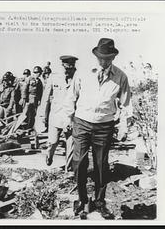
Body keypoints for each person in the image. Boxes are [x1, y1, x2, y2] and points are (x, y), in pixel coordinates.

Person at [63, 38, 131, 219]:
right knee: (79, 162)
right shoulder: (83, 73)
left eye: (107, 57)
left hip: (104, 126)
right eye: (101, 57)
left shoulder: (120, 76)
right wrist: (68, 118)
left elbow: (126, 104)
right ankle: (82, 199)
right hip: (82, 122)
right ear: (96, 56)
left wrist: (123, 126)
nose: (104, 61)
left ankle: (100, 202)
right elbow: (71, 96)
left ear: (113, 57)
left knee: (101, 164)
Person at [39, 56, 78, 172]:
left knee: (71, 144)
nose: (68, 71)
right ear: (63, 66)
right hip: (56, 115)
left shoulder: (78, 77)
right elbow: (45, 98)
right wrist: (43, 116)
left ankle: (68, 169)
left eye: (71, 68)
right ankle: (49, 155)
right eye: (66, 68)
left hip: (70, 117)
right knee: (53, 141)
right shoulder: (54, 77)